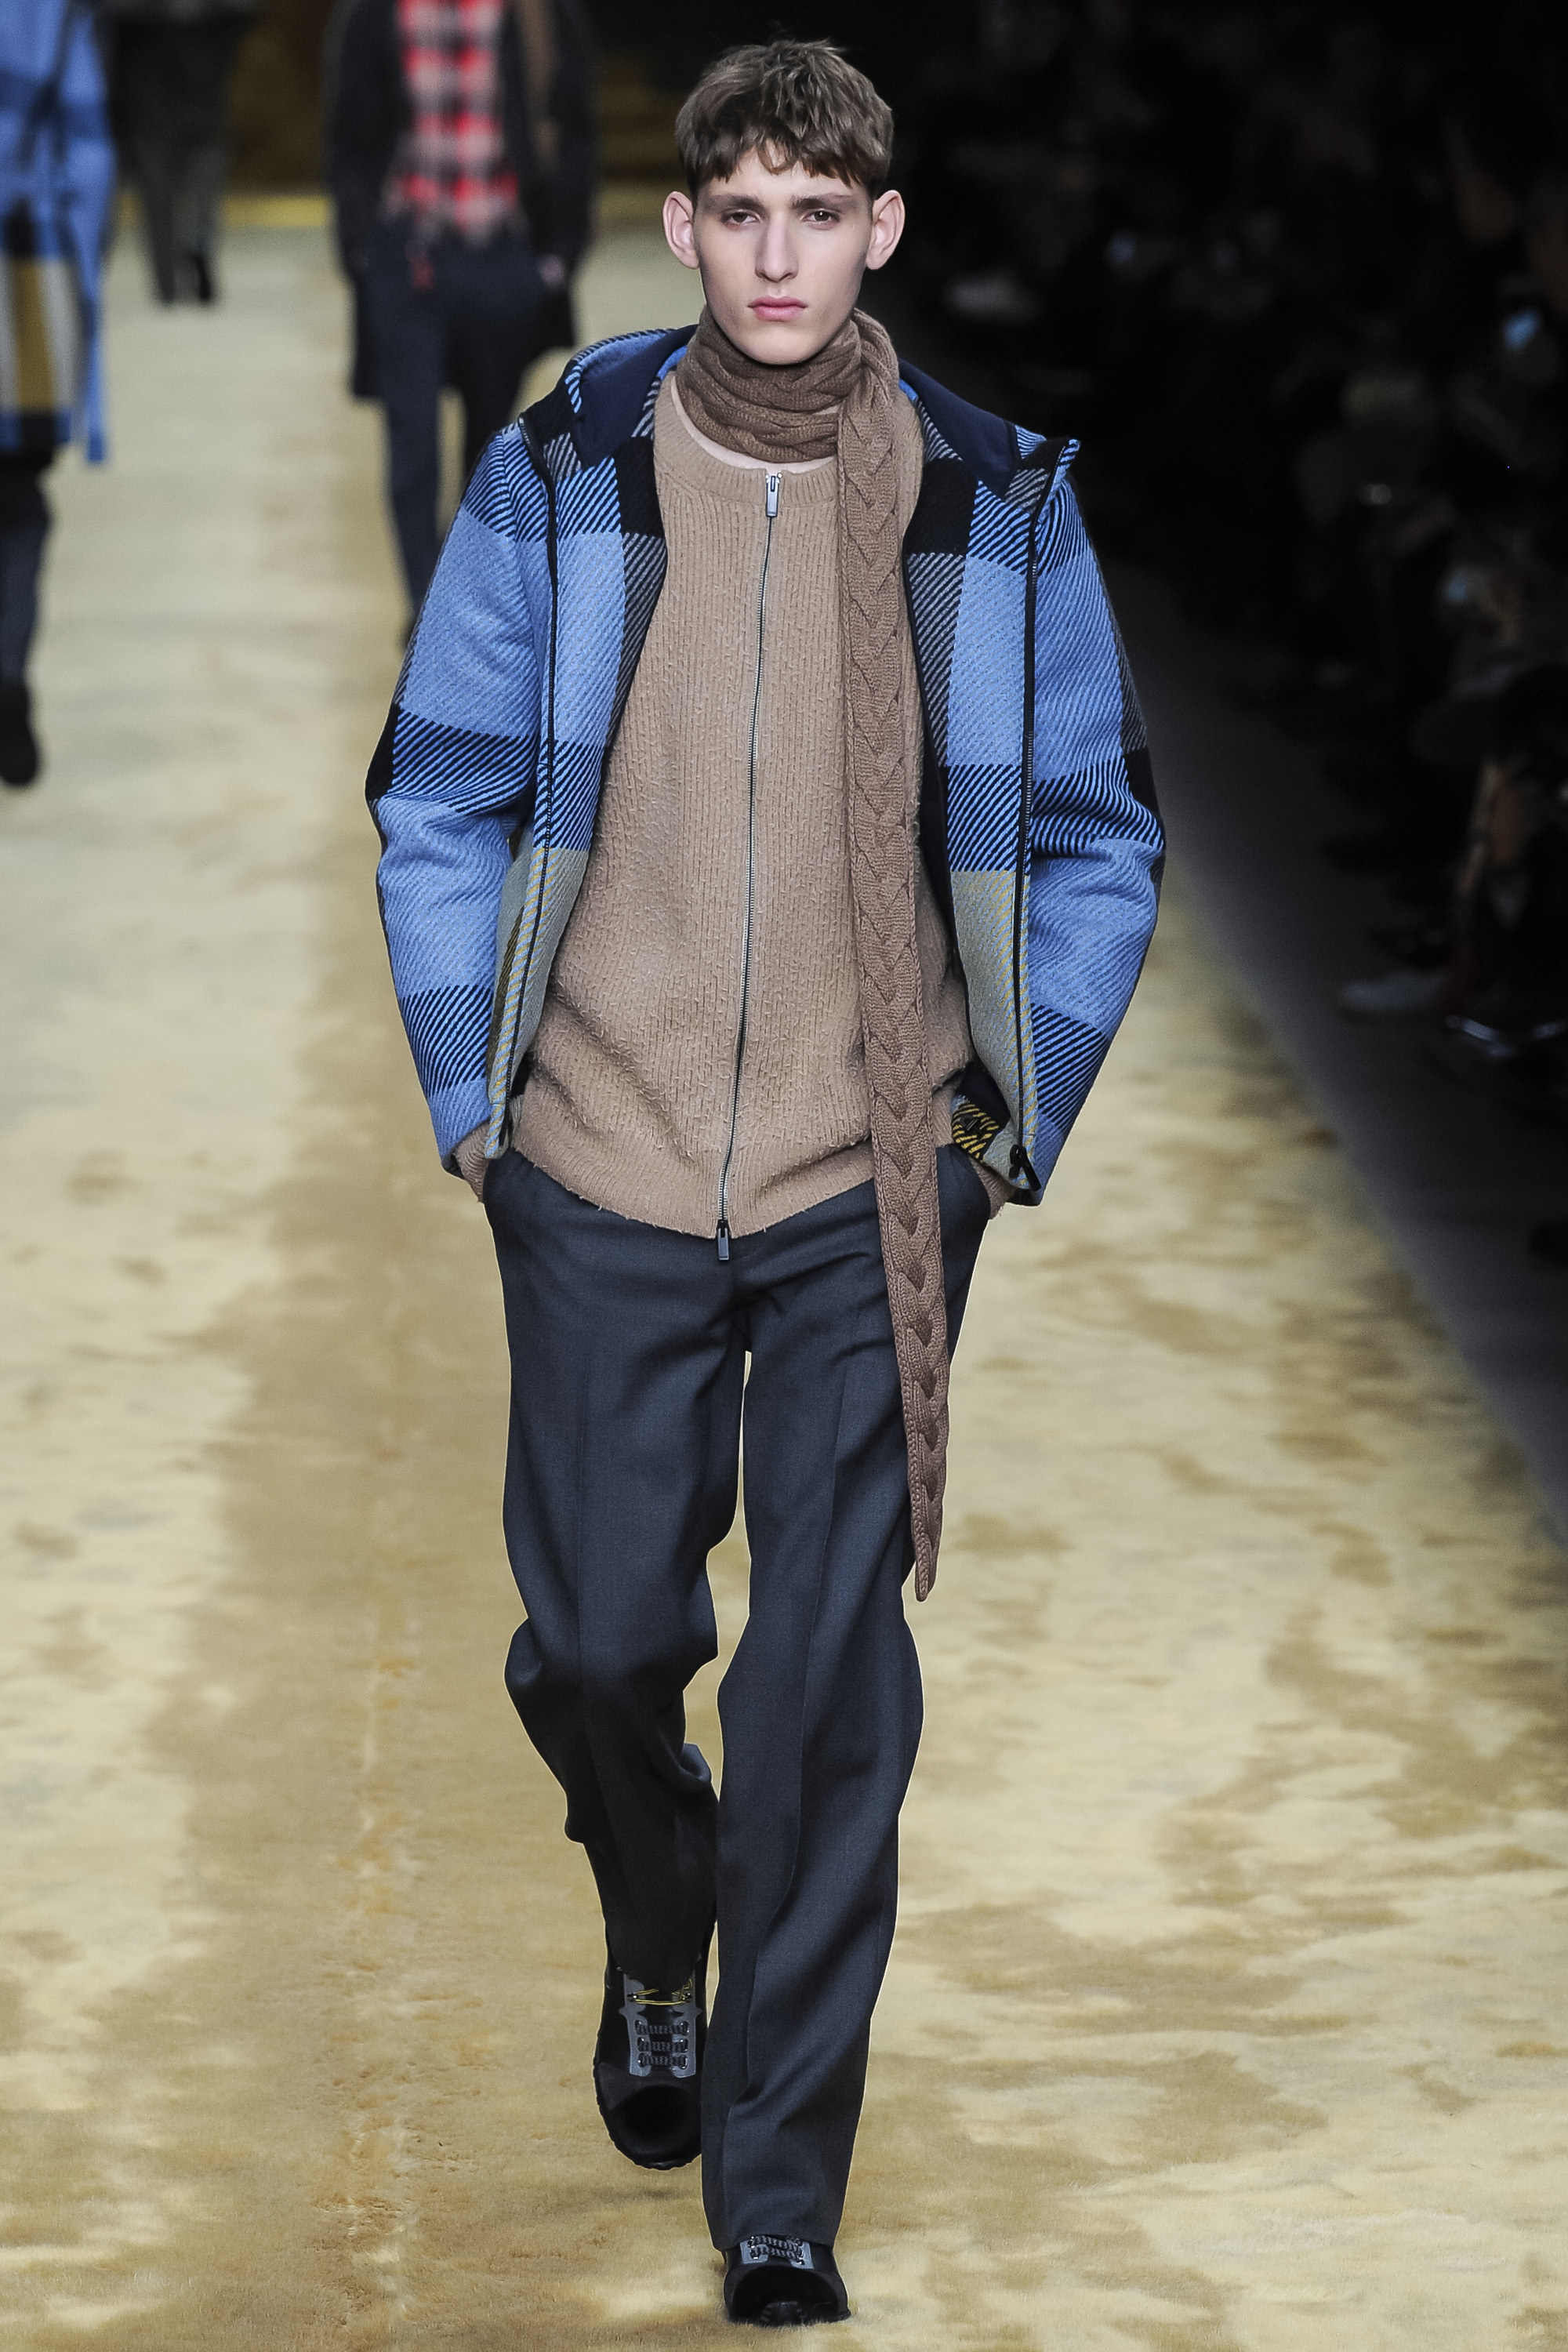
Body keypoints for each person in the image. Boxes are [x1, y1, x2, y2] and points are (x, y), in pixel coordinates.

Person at [366, 38, 1162, 2328]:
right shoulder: (568, 466)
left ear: (880, 230)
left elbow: (1089, 828)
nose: (780, 256)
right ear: (684, 226)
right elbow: (439, 782)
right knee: (610, 1642)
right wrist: (471, 1087)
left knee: (822, 1676)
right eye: (742, 213)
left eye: (822, 214)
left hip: (861, 1176)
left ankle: (780, 2175)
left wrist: (1003, 1116)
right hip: (593, 1151)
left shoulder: (990, 501)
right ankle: (657, 1920)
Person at [325, 0, 595, 621]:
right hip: (407, 252)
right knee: (411, 442)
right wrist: (360, 245)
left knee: (490, 450)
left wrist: (557, 257)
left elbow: (574, 123)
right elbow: (350, 128)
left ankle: (455, 592)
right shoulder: (377, 12)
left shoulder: (538, 12)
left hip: (502, 254)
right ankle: (425, 611)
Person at [0, 0, 114, 789]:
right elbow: (88, 159)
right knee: (18, 506)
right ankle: (7, 672)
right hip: (23, 275)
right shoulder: (49, 12)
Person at [98, 0, 255, 305]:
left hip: (151, 73)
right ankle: (197, 239)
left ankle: (167, 279)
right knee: (200, 170)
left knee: (157, 185)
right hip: (199, 68)